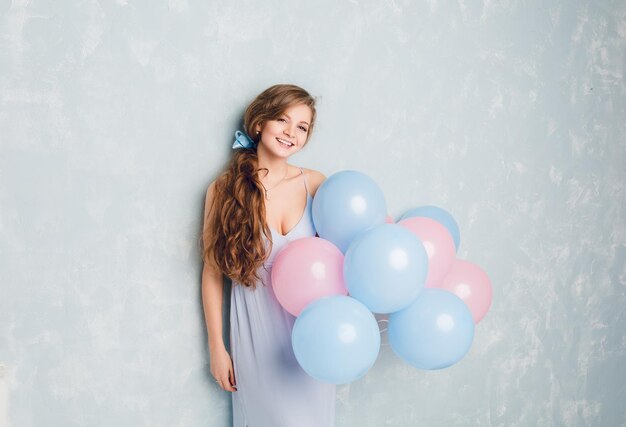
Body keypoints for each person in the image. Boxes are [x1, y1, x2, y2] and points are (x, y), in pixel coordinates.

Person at [201, 84, 336, 427]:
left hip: (311, 340)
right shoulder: (224, 189)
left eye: (302, 127)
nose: (291, 133)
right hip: (255, 339)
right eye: (282, 120)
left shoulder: (317, 184)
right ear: (260, 123)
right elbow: (213, 273)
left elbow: (342, 258)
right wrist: (217, 347)